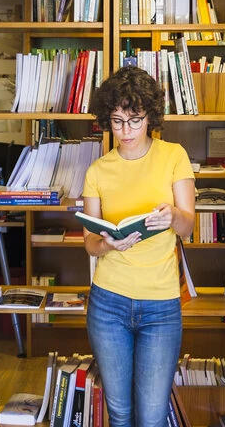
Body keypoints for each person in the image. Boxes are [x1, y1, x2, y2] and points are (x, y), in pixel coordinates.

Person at [82, 66, 195, 427]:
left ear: (150, 117)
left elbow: (189, 227)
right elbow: (89, 243)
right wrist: (107, 243)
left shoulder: (173, 155)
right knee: (120, 413)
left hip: (161, 306)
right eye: (116, 121)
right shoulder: (98, 170)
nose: (125, 131)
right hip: (108, 304)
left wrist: (173, 215)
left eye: (134, 120)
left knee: (150, 416)